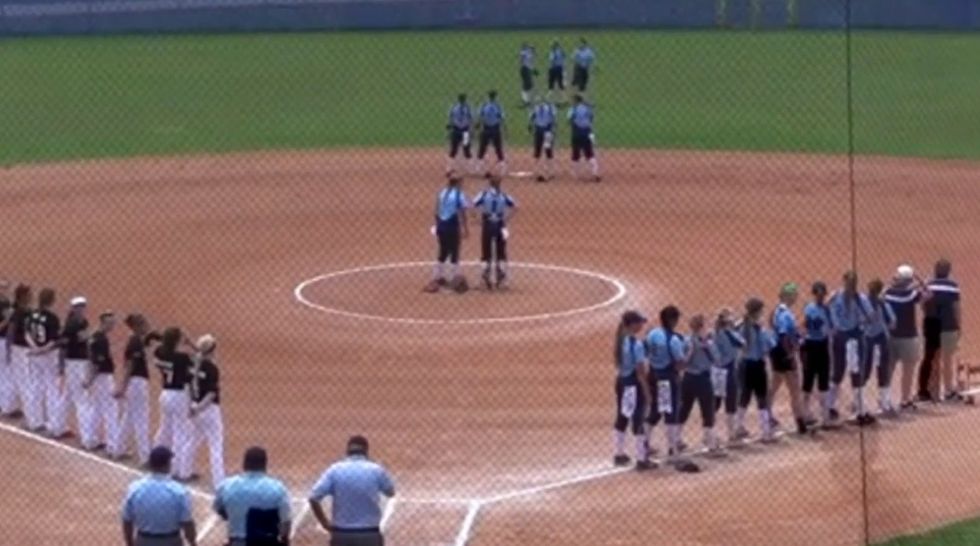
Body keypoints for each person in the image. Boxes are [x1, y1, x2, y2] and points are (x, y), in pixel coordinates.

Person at [309, 435, 396, 546]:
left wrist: (324, 523)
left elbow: (313, 497)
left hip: (341, 534)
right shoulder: (376, 470)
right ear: (366, 451)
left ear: (348, 451)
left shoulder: (335, 470)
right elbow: (390, 492)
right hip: (369, 534)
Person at [213, 446, 292, 546]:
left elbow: (218, 508)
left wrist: (235, 517)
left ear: (244, 464)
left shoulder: (226, 486)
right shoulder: (278, 488)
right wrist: (284, 540)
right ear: (264, 465)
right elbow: (286, 522)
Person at [121, 446, 197, 546]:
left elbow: (127, 521)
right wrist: (193, 543)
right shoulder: (179, 492)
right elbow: (187, 524)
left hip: (143, 540)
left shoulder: (135, 489)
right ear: (167, 465)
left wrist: (130, 543)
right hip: (171, 541)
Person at [611, 311, 653, 470]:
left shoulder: (620, 341)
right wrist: (647, 392)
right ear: (632, 324)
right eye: (640, 323)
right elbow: (641, 372)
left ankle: (619, 453)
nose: (642, 325)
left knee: (622, 417)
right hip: (634, 385)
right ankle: (642, 459)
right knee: (638, 419)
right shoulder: (636, 344)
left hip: (621, 382)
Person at [828, 271, 872, 423]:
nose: (850, 286)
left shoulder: (857, 298)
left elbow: (869, 317)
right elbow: (870, 317)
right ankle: (832, 407)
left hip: (849, 337)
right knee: (842, 372)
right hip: (845, 337)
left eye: (852, 283)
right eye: (849, 283)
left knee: (851, 373)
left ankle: (857, 410)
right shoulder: (841, 297)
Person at [153, 327, 196, 481]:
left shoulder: (159, 352)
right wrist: (191, 344)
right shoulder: (182, 358)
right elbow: (199, 361)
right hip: (179, 395)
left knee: (164, 428)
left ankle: (155, 460)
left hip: (165, 393)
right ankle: (177, 470)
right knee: (180, 432)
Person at [679, 314, 724, 455]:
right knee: (708, 411)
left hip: (687, 379)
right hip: (703, 380)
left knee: (684, 409)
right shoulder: (707, 343)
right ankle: (710, 443)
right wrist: (708, 344)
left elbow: (682, 359)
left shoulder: (685, 341)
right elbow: (717, 360)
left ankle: (675, 440)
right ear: (701, 327)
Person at [645, 305, 687, 458]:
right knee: (671, 411)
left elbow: (646, 351)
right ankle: (672, 447)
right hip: (667, 379)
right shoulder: (673, 340)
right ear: (672, 320)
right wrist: (689, 354)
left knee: (656, 409)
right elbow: (680, 363)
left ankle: (644, 442)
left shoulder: (652, 334)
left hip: (653, 375)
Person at [768, 283, 810, 435]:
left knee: (774, 385)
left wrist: (798, 333)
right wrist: (790, 353)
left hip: (775, 354)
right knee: (795, 390)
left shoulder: (776, 311)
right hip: (784, 354)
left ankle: (766, 415)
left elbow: (775, 327)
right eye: (794, 294)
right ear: (788, 295)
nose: (796, 297)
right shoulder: (786, 314)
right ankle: (800, 422)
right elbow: (784, 335)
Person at [885, 265, 927, 410]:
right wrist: (919, 280)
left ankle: (884, 399)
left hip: (891, 337)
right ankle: (905, 400)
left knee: (888, 369)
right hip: (909, 337)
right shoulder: (911, 294)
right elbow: (928, 294)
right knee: (908, 371)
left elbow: (882, 295)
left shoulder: (888, 293)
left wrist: (892, 284)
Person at [734, 297, 776, 443]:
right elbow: (769, 346)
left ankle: (738, 427)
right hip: (757, 366)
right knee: (761, 397)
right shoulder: (759, 329)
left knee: (745, 396)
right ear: (757, 311)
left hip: (745, 365)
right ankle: (765, 431)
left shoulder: (742, 326)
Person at [115, 313, 153, 467]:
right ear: (137, 326)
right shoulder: (135, 342)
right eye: (143, 323)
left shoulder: (136, 340)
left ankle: (118, 449)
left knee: (128, 417)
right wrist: (122, 386)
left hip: (133, 383)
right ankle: (145, 457)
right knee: (141, 419)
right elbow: (130, 366)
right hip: (136, 382)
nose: (147, 326)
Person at [189, 334, 225, 488]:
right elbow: (211, 393)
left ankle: (183, 470)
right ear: (212, 350)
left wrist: (194, 406)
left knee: (194, 440)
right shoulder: (211, 368)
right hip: (208, 409)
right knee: (215, 444)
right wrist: (200, 407)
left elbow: (190, 386)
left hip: (195, 406)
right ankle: (219, 482)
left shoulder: (193, 365)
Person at [26, 287, 63, 436]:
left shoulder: (32, 315)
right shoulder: (53, 318)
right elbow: (55, 340)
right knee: (52, 388)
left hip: (34, 354)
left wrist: (34, 348)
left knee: (35, 386)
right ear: (52, 300)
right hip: (48, 355)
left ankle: (34, 420)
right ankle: (53, 423)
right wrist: (43, 350)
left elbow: (27, 333)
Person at [424, 176, 470, 294]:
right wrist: (465, 228)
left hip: (441, 225)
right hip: (452, 225)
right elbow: (462, 212)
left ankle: (437, 276)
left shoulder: (442, 193)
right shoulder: (459, 194)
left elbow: (436, 211)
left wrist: (438, 225)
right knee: (454, 250)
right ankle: (454, 277)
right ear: (458, 183)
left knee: (443, 251)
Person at [473, 176, 517, 291]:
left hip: (487, 224)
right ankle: (501, 280)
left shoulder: (484, 194)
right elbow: (515, 206)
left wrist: (477, 219)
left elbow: (473, 205)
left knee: (486, 251)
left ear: (489, 184)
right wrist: (506, 219)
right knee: (501, 251)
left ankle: (484, 279)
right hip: (500, 224)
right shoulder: (503, 196)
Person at [927, 259, 962, 401]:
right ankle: (948, 390)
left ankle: (933, 391)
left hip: (932, 326)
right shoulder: (953, 287)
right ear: (948, 271)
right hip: (949, 326)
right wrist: (959, 325)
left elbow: (924, 305)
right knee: (948, 360)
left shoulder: (929, 285)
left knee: (934, 359)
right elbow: (956, 308)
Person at [62, 297, 94, 446]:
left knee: (68, 395)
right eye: (78, 306)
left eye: (83, 306)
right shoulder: (72, 324)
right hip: (75, 363)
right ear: (73, 308)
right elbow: (70, 342)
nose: (81, 309)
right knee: (82, 399)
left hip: (79, 362)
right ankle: (87, 437)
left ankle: (57, 425)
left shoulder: (82, 322)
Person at [801, 282, 834, 425]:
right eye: (819, 294)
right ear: (816, 295)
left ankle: (822, 415)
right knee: (811, 381)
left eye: (822, 295)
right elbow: (831, 327)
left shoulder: (808, 308)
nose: (821, 297)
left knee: (821, 381)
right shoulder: (825, 309)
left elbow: (805, 325)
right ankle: (808, 414)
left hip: (815, 345)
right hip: (816, 345)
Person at [712, 308, 744, 445]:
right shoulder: (728, 333)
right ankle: (731, 434)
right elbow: (741, 343)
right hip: (728, 370)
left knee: (715, 403)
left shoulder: (715, 333)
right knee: (731, 402)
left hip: (716, 372)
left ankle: (710, 434)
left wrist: (737, 325)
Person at [865, 279, 897, 415]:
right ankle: (883, 402)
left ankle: (860, 402)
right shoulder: (883, 304)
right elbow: (893, 323)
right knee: (881, 371)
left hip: (869, 339)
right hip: (879, 339)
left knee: (867, 371)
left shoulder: (864, 303)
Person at [8, 284, 35, 431]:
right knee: (25, 381)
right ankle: (30, 416)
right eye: (29, 294)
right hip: (21, 349)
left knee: (23, 381)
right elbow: (12, 332)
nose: (31, 296)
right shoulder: (21, 312)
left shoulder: (24, 312)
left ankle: (30, 416)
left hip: (23, 349)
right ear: (23, 296)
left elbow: (13, 332)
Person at [567, 94, 600, 182]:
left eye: (572, 100)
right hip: (587, 132)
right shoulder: (587, 108)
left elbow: (569, 119)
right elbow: (591, 118)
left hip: (577, 133)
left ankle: (576, 174)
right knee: (589, 153)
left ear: (576, 101)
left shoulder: (573, 109)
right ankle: (595, 172)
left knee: (575, 153)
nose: (571, 102)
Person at [475, 90, 506, 178]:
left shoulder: (484, 105)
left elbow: (480, 117)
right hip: (495, 129)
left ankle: (480, 168)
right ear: (495, 96)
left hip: (487, 129)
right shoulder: (498, 106)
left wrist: (477, 125)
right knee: (498, 148)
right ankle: (502, 168)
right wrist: (505, 130)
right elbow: (502, 119)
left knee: (483, 148)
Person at [528, 97, 558, 182]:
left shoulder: (547, 108)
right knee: (541, 151)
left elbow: (553, 119)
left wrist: (529, 126)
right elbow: (532, 118)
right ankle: (541, 171)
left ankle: (548, 171)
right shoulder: (546, 108)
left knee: (546, 151)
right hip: (542, 131)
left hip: (545, 131)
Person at [445, 93, 474, 177]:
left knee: (461, 150)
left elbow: (450, 119)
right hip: (461, 131)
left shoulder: (454, 107)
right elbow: (471, 119)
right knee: (461, 150)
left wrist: (449, 126)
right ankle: (451, 168)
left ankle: (450, 168)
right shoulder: (467, 108)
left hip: (459, 131)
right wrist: (471, 130)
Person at [0, 281, 17, 417]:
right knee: (6, 372)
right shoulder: (3, 305)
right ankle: (7, 407)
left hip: (4, 340)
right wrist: (9, 318)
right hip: (2, 341)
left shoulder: (5, 303)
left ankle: (4, 405)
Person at [546, 39, 566, 104]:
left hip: (555, 69)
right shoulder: (560, 51)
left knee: (553, 84)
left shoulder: (554, 52)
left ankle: (563, 99)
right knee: (559, 84)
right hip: (558, 68)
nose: (551, 46)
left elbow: (552, 61)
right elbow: (564, 55)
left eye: (552, 45)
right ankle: (563, 99)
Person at [518, 42, 536, 108]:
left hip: (527, 70)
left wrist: (533, 70)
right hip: (525, 69)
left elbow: (529, 64)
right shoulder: (525, 53)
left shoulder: (530, 54)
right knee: (527, 86)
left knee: (529, 85)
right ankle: (526, 101)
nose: (533, 50)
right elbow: (522, 61)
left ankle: (526, 100)